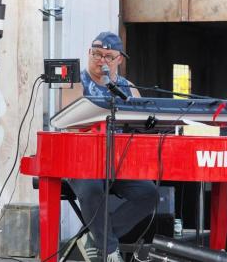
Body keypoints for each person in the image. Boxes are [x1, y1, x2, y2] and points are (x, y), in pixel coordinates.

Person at [62, 32, 158, 262]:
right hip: (82, 160)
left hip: (118, 162)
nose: (101, 60)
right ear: (89, 53)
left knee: (148, 194)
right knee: (92, 189)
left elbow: (142, 122)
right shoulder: (77, 82)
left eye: (108, 56)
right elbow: (71, 124)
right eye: (96, 54)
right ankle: (109, 248)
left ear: (119, 59)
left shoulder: (128, 87)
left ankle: (93, 240)